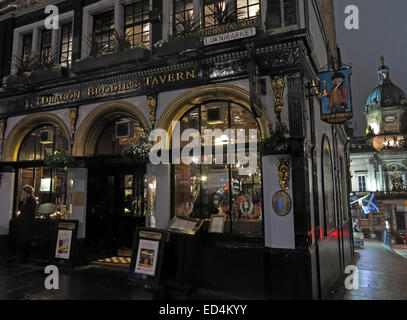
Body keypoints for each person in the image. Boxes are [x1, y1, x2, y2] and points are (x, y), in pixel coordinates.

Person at [16, 185, 37, 263]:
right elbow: (20, 208)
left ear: (27, 192)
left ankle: (25, 259)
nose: (22, 193)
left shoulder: (31, 200)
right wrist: (21, 200)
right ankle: (23, 258)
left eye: (23, 192)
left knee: (26, 241)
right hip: (24, 223)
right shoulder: (26, 199)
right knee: (23, 241)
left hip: (28, 224)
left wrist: (22, 201)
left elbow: (25, 210)